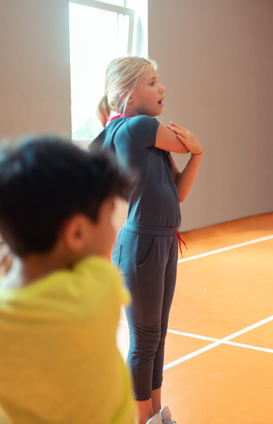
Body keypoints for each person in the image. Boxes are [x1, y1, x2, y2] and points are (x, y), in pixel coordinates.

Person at [90, 56, 203, 424]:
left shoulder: (148, 136)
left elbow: (178, 192)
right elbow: (183, 144)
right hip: (141, 245)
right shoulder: (137, 127)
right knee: (144, 340)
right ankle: (140, 418)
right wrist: (192, 146)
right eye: (152, 82)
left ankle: (156, 413)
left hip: (165, 242)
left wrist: (199, 154)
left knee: (157, 336)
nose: (162, 88)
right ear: (126, 94)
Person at [0, 136, 134, 423]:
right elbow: (98, 265)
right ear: (76, 233)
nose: (113, 229)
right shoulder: (99, 291)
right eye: (110, 216)